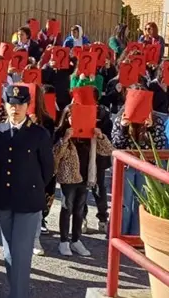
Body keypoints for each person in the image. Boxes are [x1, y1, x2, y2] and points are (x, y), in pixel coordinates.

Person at [0, 85, 54, 298]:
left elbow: (47, 170)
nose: (15, 109)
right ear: (5, 105)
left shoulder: (39, 134)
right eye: (11, 104)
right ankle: (17, 291)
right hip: (3, 199)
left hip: (28, 200)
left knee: (21, 253)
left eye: (20, 105)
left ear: (28, 106)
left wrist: (33, 186)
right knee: (9, 252)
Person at [52, 105, 114, 257]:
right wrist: (65, 139)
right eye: (72, 116)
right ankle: (64, 241)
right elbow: (54, 156)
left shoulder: (91, 133)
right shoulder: (61, 133)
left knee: (79, 210)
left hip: (86, 176)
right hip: (69, 177)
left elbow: (108, 150)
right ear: (67, 118)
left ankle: (76, 239)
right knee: (67, 208)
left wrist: (100, 136)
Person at [111, 85, 169, 236]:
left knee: (142, 202)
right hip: (126, 167)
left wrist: (150, 128)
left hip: (146, 166)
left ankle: (137, 235)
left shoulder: (156, 121)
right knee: (124, 202)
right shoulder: (120, 118)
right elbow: (116, 145)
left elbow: (160, 146)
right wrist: (124, 128)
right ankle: (119, 233)